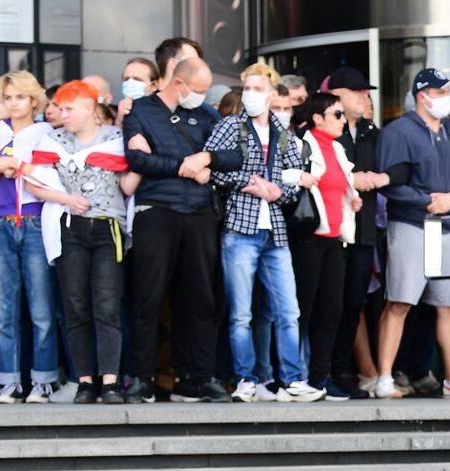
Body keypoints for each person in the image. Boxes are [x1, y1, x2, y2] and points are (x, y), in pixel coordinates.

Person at [122, 55, 241, 403]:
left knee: (201, 300)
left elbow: (235, 154)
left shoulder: (207, 114)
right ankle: (143, 377)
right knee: (148, 298)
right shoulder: (141, 111)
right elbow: (138, 160)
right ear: (179, 83)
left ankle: (198, 378)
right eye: (198, 90)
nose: (202, 97)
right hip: (157, 211)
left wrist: (208, 158)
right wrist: (184, 166)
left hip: (200, 213)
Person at [206, 63, 325, 403]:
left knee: (289, 310)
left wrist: (275, 192)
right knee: (241, 312)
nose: (251, 95)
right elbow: (213, 167)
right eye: (247, 88)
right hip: (239, 228)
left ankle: (292, 379)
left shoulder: (283, 134)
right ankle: (246, 378)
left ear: (273, 94)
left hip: (275, 232)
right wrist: (249, 183)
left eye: (258, 89)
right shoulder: (231, 125)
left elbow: (292, 180)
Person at [373, 67, 450, 400]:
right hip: (411, 223)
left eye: (446, 91)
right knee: (399, 301)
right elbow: (390, 183)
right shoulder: (398, 131)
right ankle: (383, 377)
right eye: (439, 92)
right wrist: (426, 201)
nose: (445, 97)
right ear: (421, 95)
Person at [22, 81, 140, 404]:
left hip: (107, 228)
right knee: (75, 306)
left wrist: (143, 162)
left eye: (68, 108)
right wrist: (66, 199)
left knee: (107, 307)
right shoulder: (54, 140)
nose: (62, 114)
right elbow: (33, 182)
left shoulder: (115, 140)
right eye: (59, 108)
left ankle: (111, 382)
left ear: (89, 108)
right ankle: (86, 381)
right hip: (69, 228)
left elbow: (127, 185)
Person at [0, 70, 60, 402]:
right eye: (7, 98)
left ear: (34, 100)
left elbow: (54, 174)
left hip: (35, 222)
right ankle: (9, 380)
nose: (13, 103)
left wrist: (17, 164)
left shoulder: (47, 132)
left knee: (41, 308)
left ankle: (43, 379)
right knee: (3, 309)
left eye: (20, 97)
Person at [288, 92, 365, 399]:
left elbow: (342, 185)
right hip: (307, 237)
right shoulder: (299, 144)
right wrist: (300, 176)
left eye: (343, 115)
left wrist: (352, 199)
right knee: (302, 310)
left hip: (334, 238)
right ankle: (292, 376)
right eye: (337, 114)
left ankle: (320, 377)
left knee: (332, 310)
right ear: (317, 118)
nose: (343, 120)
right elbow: (278, 174)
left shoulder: (336, 148)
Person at [325, 66, 396, 399]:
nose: (365, 97)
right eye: (358, 92)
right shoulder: (322, 127)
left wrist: (382, 179)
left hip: (365, 230)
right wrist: (351, 180)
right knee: (329, 303)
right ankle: (322, 370)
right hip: (330, 230)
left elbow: (395, 166)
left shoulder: (372, 132)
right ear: (337, 94)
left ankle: (342, 370)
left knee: (355, 302)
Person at [115, 57, 159, 127]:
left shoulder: (163, 110)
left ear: (154, 85)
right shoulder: (120, 110)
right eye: (126, 79)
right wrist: (120, 118)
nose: (130, 83)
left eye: (137, 79)